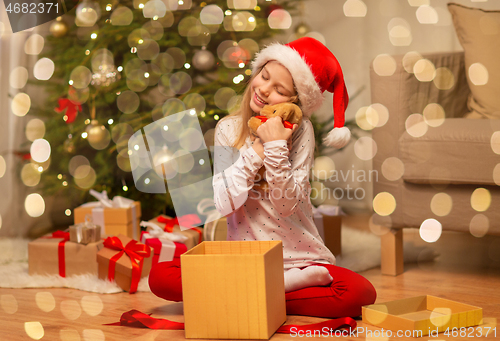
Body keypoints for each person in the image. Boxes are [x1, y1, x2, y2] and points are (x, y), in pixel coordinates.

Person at [149, 37, 376, 318]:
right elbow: (223, 204)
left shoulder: (302, 131)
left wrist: (277, 147)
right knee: (160, 275)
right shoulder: (228, 129)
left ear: (295, 101)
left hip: (298, 260)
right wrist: (257, 150)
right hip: (245, 260)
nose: (264, 90)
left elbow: (286, 206)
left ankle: (248, 293)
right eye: (263, 76)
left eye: (279, 89)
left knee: (360, 293)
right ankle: (276, 289)